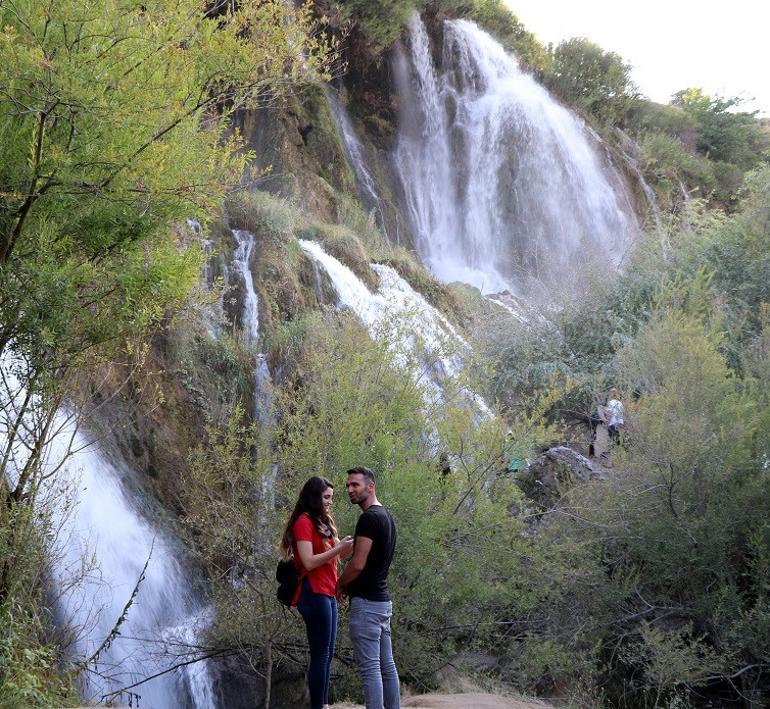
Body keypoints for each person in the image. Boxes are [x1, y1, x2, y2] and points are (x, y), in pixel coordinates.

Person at [280, 477, 353, 709]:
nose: (330, 502)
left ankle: (323, 705)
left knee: (328, 653)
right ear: (314, 497)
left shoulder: (322, 522)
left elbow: (335, 556)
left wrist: (348, 547)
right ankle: (319, 706)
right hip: (313, 592)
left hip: (328, 592)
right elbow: (309, 562)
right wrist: (338, 549)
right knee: (320, 655)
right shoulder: (303, 522)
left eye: (331, 497)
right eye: (326, 497)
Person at [336, 466, 400, 709]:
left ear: (370, 486)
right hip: (383, 603)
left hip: (367, 606)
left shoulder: (368, 518)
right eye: (348, 486)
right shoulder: (387, 517)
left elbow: (358, 564)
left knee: (371, 668)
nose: (350, 490)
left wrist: (340, 584)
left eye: (355, 485)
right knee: (387, 666)